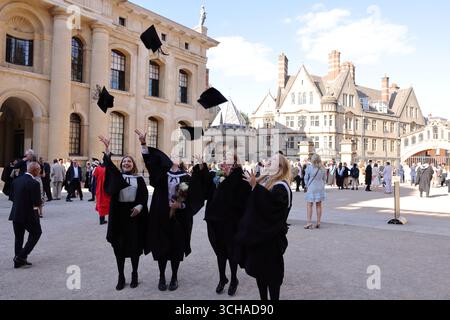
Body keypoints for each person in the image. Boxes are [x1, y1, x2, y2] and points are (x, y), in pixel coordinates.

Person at [136, 130, 204, 292]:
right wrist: (144, 144)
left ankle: (174, 276)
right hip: (160, 217)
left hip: (177, 220)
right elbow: (150, 163)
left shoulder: (185, 178)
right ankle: (161, 276)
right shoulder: (161, 175)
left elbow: (187, 197)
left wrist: (179, 206)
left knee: (175, 247)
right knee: (161, 247)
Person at [236, 153, 292, 301]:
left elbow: (271, 209)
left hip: (272, 239)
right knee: (260, 272)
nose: (268, 161)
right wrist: (255, 185)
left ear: (280, 167)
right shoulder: (268, 182)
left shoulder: (281, 186)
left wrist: (256, 187)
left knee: (272, 277)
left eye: (273, 160)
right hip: (262, 237)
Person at [195, 152, 252, 296]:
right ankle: (222, 278)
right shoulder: (216, 177)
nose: (223, 164)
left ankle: (234, 279)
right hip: (215, 222)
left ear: (234, 164)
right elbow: (205, 184)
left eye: (226, 162)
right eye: (222, 162)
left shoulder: (240, 179)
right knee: (220, 252)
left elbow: (245, 200)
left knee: (232, 252)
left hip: (231, 223)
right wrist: (202, 165)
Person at [99, 136, 149, 290]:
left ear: (133, 165)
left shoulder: (139, 180)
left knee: (134, 248)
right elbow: (108, 167)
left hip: (133, 217)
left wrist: (139, 208)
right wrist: (107, 150)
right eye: (124, 161)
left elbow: (144, 197)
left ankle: (134, 273)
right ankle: (121, 276)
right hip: (119, 217)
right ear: (121, 164)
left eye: (129, 161)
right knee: (119, 248)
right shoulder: (117, 177)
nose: (126, 163)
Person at [8, 162, 43, 268]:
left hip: (15, 213)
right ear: (35, 170)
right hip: (28, 215)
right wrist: (40, 202)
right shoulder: (34, 183)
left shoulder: (16, 181)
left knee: (18, 238)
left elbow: (12, 197)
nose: (40, 172)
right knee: (36, 233)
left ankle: (18, 260)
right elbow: (37, 203)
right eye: (39, 170)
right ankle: (21, 256)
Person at [304, 154, 327, 229]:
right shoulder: (323, 168)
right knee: (319, 205)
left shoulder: (309, 167)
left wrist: (307, 185)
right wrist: (322, 185)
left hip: (311, 187)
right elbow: (324, 179)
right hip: (320, 187)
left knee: (309, 204)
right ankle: (318, 222)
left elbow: (306, 178)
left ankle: (309, 222)